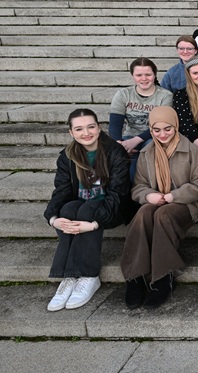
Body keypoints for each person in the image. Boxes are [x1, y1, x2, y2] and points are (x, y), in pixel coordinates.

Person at [121, 106, 198, 309]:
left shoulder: (192, 151)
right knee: (143, 212)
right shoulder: (146, 153)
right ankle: (136, 275)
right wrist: (148, 195)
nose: (162, 134)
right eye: (156, 130)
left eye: (167, 129)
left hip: (187, 204)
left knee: (163, 214)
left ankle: (163, 276)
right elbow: (138, 187)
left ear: (176, 126)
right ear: (151, 130)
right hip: (157, 200)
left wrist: (173, 195)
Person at [45, 109, 132, 312]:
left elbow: (117, 195)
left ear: (98, 128)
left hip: (113, 209)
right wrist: (53, 218)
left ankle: (88, 275)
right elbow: (62, 191)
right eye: (79, 128)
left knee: (88, 209)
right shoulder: (67, 156)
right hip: (81, 208)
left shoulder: (115, 152)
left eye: (91, 126)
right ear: (71, 133)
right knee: (67, 209)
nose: (86, 132)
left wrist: (94, 223)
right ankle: (69, 277)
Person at [109, 58, 173, 178]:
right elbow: (115, 125)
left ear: (154, 75)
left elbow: (163, 125)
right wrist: (119, 144)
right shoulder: (123, 94)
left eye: (148, 74)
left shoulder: (165, 96)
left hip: (155, 136)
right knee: (119, 153)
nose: (144, 79)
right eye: (139, 75)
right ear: (133, 75)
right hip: (129, 136)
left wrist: (135, 141)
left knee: (147, 148)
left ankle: (137, 191)